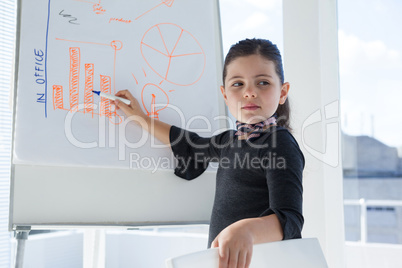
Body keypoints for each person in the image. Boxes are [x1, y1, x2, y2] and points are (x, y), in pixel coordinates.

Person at [114, 38, 304, 268]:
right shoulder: (229, 141)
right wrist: (141, 119)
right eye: (238, 84)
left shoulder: (279, 143)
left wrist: (246, 230)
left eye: (263, 82)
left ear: (283, 92)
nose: (249, 92)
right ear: (225, 95)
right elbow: (191, 145)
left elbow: (290, 220)